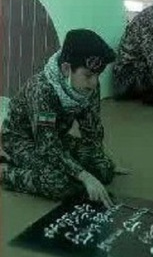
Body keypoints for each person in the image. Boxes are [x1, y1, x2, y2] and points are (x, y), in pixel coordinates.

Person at [0, 29, 119, 208]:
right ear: (66, 69)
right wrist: (84, 175)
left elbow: (92, 127)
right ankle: (5, 172)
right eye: (88, 76)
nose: (94, 83)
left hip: (56, 137)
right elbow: (47, 146)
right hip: (22, 140)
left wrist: (99, 157)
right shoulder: (42, 89)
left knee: (105, 170)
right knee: (58, 183)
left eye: (97, 76)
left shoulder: (89, 85)